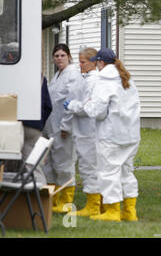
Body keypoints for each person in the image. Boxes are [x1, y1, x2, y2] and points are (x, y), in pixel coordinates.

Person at [65, 48, 141, 222]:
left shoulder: (103, 80)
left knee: (108, 172)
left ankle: (113, 211)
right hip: (131, 134)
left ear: (100, 62)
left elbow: (96, 111)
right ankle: (130, 211)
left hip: (111, 135)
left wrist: (75, 106)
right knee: (126, 172)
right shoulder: (127, 78)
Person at [43, 44, 84, 213]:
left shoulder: (73, 75)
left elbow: (71, 102)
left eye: (62, 55)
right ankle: (53, 201)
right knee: (50, 166)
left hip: (63, 129)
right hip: (51, 127)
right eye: (56, 55)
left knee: (65, 165)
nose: (59, 58)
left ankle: (66, 203)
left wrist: (66, 126)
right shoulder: (57, 76)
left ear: (69, 57)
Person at [63, 48, 101, 217]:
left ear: (93, 62)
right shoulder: (90, 79)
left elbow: (87, 107)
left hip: (89, 132)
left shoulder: (93, 81)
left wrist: (72, 105)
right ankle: (97, 203)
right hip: (87, 131)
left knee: (89, 168)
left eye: (83, 62)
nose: (80, 65)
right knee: (90, 167)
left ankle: (93, 205)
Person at [4, 74, 52, 184]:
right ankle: (41, 197)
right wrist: (39, 124)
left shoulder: (7, 76)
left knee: (6, 164)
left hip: (10, 125)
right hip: (33, 126)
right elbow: (48, 106)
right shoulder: (40, 78)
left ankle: (8, 198)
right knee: (33, 166)